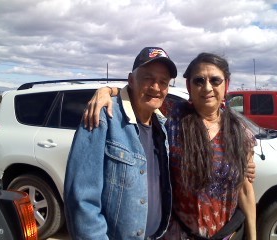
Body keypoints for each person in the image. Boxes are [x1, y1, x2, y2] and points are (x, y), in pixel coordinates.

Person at [84, 53, 257, 239]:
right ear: (189, 87)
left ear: (226, 85)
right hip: (177, 234)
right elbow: (145, 95)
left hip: (224, 235)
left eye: (215, 80)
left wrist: (253, 236)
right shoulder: (173, 120)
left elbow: (245, 189)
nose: (207, 87)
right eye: (199, 80)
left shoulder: (240, 132)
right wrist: (107, 91)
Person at [64, 47, 177, 239]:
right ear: (131, 80)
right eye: (148, 78)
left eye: (163, 82)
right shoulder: (103, 117)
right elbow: (81, 202)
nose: (156, 87)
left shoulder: (164, 127)